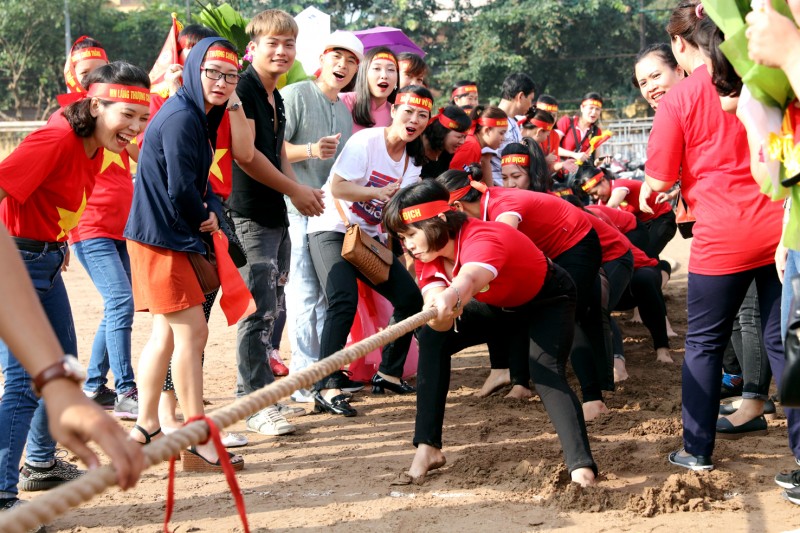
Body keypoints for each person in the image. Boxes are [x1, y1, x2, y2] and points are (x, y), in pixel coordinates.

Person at [644, 3, 789, 470]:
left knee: (704, 343)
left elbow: (659, 181)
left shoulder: (680, 99)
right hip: (778, 224)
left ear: (679, 45)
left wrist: (651, 192)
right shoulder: (759, 75)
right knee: (783, 340)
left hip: (721, 235)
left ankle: (697, 450)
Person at [0, 61, 150, 508]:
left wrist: (57, 241)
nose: (135, 129)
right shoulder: (57, 138)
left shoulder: (99, 143)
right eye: (127, 115)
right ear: (95, 103)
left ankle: (40, 465)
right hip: (16, 263)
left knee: (64, 366)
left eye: (142, 118)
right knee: (23, 382)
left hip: (44, 258)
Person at [382, 179, 597, 487]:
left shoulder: (483, 236)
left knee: (545, 371)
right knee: (431, 337)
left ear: (441, 220)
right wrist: (438, 310)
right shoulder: (427, 256)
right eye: (403, 238)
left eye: (412, 234)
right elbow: (439, 311)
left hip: (547, 299)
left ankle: (581, 467)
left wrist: (450, 297)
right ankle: (427, 448)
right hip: (497, 306)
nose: (409, 245)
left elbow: (468, 280)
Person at [124, 37, 245, 472]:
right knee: (191, 334)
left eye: (230, 75)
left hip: (164, 235)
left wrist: (210, 210)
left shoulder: (197, 115)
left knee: (166, 336)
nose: (221, 81)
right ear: (194, 69)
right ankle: (197, 437)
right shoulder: (181, 118)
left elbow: (198, 182)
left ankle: (146, 427)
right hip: (163, 238)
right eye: (212, 72)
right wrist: (205, 219)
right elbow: (180, 188)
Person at [0, 223, 143, 514]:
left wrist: (57, 384)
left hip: (45, 251)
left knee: (60, 361)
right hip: (25, 251)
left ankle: (40, 463)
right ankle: (2, 494)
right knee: (22, 379)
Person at [306, 86, 432, 416]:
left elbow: (396, 211)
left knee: (409, 299)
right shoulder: (366, 141)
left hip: (369, 239)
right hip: (331, 229)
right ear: (393, 110)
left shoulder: (413, 161)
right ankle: (326, 384)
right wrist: (377, 191)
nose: (414, 120)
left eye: (422, 115)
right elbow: (338, 187)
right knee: (342, 299)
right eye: (408, 111)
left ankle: (388, 374)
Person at [229, 10, 323, 436]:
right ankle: (253, 403)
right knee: (257, 309)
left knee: (274, 308)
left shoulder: (276, 95)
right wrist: (294, 190)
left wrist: (298, 193)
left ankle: (259, 393)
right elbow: (246, 156)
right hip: (247, 214)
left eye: (289, 44)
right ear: (254, 48)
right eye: (273, 43)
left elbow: (279, 151)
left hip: (275, 214)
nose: (282, 51)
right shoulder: (244, 88)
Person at [439, 167, 602, 402]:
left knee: (567, 314)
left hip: (575, 245)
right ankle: (519, 383)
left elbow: (501, 247)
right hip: (543, 254)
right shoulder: (480, 210)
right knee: (512, 307)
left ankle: (593, 398)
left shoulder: (504, 206)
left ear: (456, 208)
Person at [60, 36, 139, 420]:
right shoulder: (65, 121)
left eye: (99, 73)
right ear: (71, 75)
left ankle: (94, 385)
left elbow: (144, 153)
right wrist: (56, 238)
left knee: (117, 305)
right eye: (84, 73)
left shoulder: (116, 119)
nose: (92, 78)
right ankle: (126, 390)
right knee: (121, 302)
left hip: (123, 226)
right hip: (89, 228)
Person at [281, 31, 363, 403]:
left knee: (328, 295)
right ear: (322, 58)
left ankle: (322, 374)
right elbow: (269, 149)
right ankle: (302, 375)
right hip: (294, 208)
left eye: (351, 61)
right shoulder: (296, 94)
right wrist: (312, 150)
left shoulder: (345, 110)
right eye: (337, 57)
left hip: (327, 213)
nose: (343, 65)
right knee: (304, 294)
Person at [575, 165, 677, 259]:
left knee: (646, 255)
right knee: (636, 254)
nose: (595, 197)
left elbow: (611, 207)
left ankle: (662, 270)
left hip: (663, 218)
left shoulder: (619, 185)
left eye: (595, 192)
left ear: (603, 180)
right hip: (644, 226)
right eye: (591, 195)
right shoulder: (601, 203)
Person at [491, 73, 536, 186]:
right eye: (530, 99)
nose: (531, 105)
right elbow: (484, 160)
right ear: (520, 96)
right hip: (498, 191)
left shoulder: (514, 123)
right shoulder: (491, 122)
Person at [341, 46, 399, 133]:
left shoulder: (396, 114)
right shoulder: (342, 102)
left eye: (391, 70)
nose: (384, 75)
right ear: (364, 74)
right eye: (376, 68)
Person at [449, 105, 508, 187]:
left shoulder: (475, 145)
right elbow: (456, 182)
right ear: (487, 130)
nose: (503, 138)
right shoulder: (471, 146)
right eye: (501, 133)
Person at [557, 92, 605, 173]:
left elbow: (595, 162)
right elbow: (552, 148)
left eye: (597, 109)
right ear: (582, 108)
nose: (594, 112)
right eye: (591, 108)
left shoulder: (597, 131)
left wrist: (600, 160)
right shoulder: (566, 122)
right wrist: (574, 155)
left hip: (582, 175)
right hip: (561, 173)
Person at [419, 105, 471, 179]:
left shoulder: (446, 151)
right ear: (443, 132)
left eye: (464, 137)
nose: (462, 142)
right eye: (459, 137)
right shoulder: (417, 146)